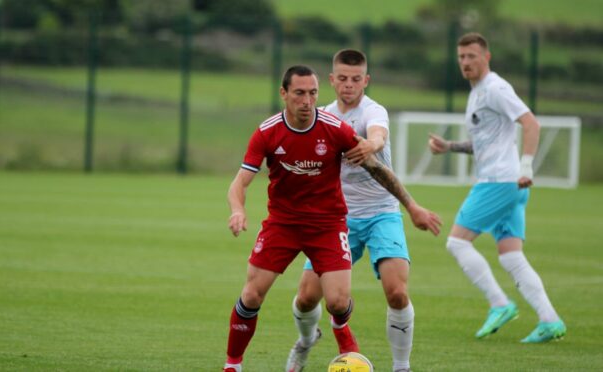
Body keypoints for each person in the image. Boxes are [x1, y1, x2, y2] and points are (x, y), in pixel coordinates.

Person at [223, 65, 434, 372]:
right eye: (299, 93)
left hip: (328, 225)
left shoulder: (334, 128)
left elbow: (376, 167)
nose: (307, 101)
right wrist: (238, 210)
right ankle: (233, 365)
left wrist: (412, 206)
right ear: (283, 94)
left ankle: (341, 329)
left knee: (337, 302)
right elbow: (239, 183)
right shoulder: (267, 132)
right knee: (252, 294)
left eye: (312, 93)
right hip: (283, 225)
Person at [284, 50, 441, 372]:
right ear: (331, 80)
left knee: (397, 292)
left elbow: (378, 134)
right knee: (306, 299)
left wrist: (373, 144)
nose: (349, 85)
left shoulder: (374, 111)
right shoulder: (322, 115)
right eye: (342, 78)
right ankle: (306, 340)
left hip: (382, 213)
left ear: (365, 81)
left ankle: (401, 367)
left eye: (356, 79)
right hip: (335, 220)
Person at [427, 32, 566, 343]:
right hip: (509, 184)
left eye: (471, 56)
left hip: (500, 182)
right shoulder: (477, 93)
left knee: (457, 243)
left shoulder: (495, 88)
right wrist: (449, 146)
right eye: (461, 57)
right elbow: (483, 143)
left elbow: (531, 123)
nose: (465, 62)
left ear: (486, 57)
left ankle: (499, 303)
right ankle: (550, 320)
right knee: (511, 256)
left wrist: (528, 166)